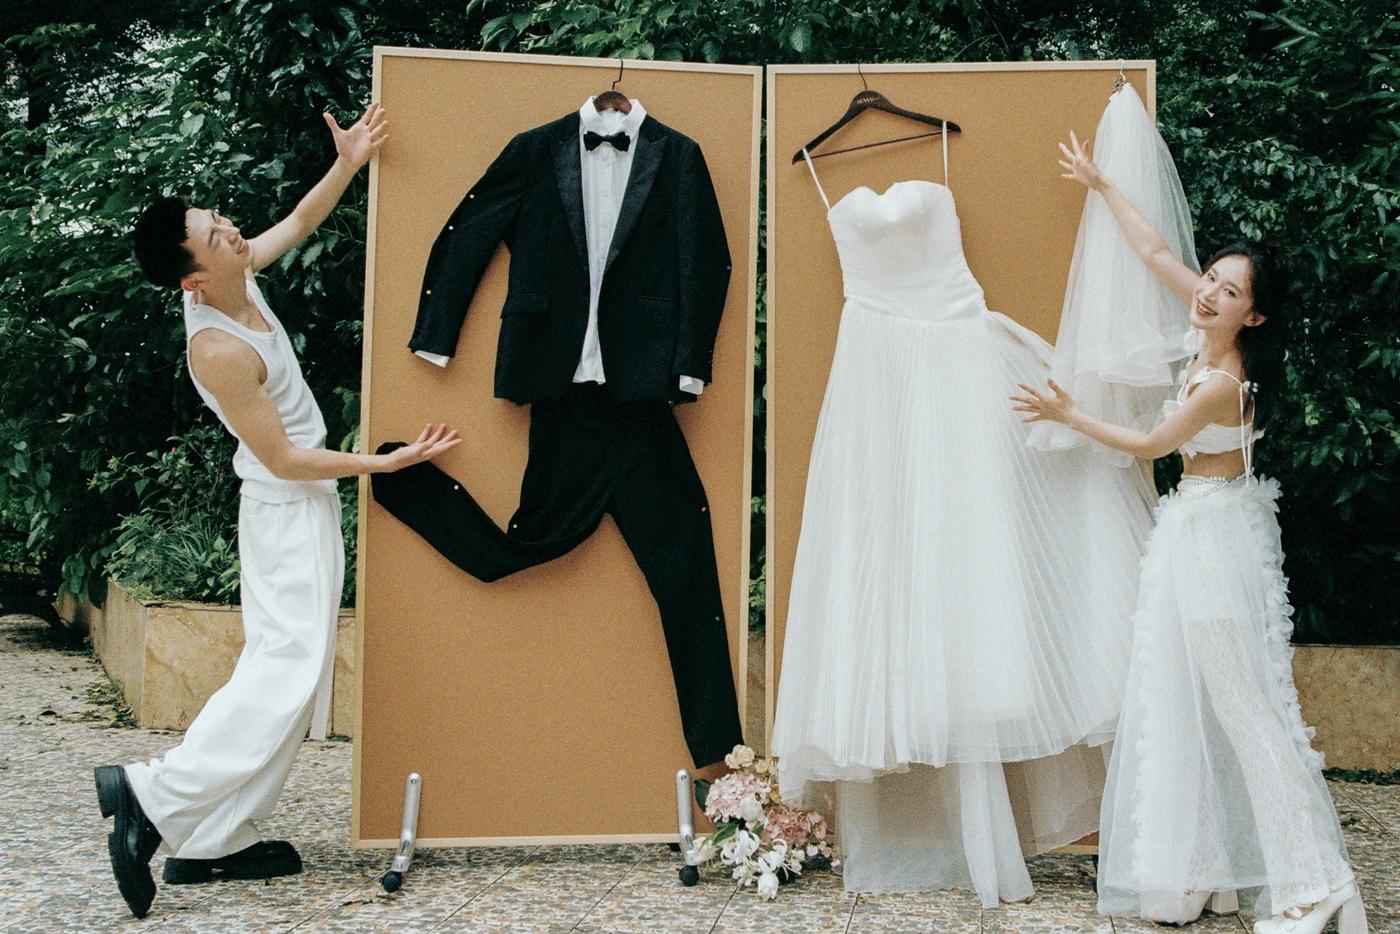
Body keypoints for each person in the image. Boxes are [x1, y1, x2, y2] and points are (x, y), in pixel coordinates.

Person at [101, 102, 460, 920]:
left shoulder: (237, 274)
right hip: (283, 507)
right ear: (193, 279)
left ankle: (214, 841)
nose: (231, 231)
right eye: (215, 233)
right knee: (285, 670)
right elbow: (287, 458)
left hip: (302, 505)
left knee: (295, 675)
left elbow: (297, 221)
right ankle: (152, 795)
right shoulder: (217, 348)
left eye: (221, 219)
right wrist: (383, 463)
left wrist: (349, 160)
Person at [1011, 131, 1367, 934]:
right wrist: (1101, 183)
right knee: (1200, 704)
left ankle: (1315, 883)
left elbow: (1150, 444)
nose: (1207, 292)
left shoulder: (1221, 381)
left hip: (1210, 542)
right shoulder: (1207, 332)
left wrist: (1069, 413)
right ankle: (1212, 872)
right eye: (1211, 277)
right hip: (1202, 529)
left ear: (1254, 314)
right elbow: (1153, 252)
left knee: (1245, 712)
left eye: (1228, 291)